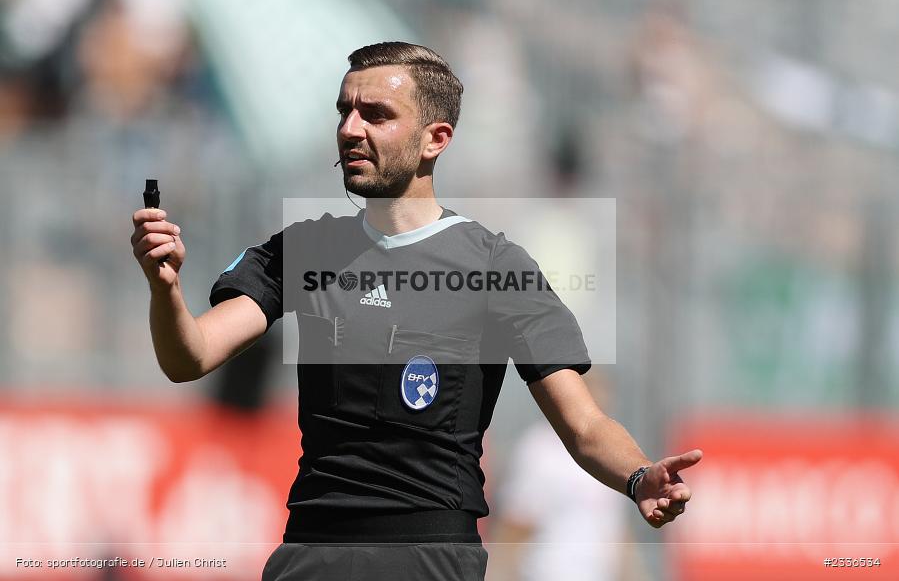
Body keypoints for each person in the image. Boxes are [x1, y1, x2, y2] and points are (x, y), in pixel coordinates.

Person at [130, 41, 702, 581]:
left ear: (435, 139)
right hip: (311, 553)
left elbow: (584, 424)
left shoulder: (497, 267)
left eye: (376, 114)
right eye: (344, 111)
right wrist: (165, 288)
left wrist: (636, 476)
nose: (350, 130)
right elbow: (191, 356)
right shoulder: (303, 250)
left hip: (430, 560)